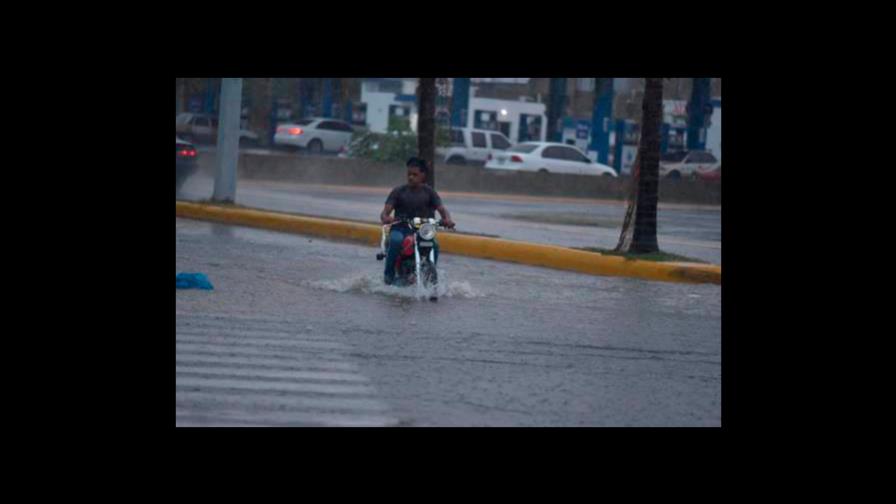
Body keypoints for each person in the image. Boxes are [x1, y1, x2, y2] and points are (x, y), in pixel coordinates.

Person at [380, 157, 455, 285]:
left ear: (423, 176)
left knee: (434, 246)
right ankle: (389, 274)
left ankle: (430, 273)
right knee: (396, 240)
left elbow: (442, 209)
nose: (411, 177)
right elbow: (384, 213)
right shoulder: (398, 191)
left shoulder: (429, 192)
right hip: (401, 229)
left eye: (414, 175)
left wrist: (447, 220)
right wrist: (387, 218)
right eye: (409, 174)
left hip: (422, 230)